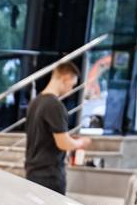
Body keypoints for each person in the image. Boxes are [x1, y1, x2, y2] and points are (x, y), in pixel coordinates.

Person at [23, 62, 89, 195]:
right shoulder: (54, 105)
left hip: (32, 173)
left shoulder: (35, 102)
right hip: (49, 177)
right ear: (65, 78)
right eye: (72, 85)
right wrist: (80, 142)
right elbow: (63, 143)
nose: (71, 90)